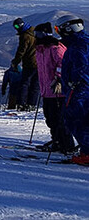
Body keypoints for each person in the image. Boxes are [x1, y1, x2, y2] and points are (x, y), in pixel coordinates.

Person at [34, 22, 75, 153]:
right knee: (50, 118)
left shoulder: (55, 48)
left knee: (60, 119)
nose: (37, 36)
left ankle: (67, 144)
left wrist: (58, 78)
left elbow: (63, 63)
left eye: (39, 34)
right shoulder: (40, 49)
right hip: (47, 90)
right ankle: (57, 141)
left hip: (58, 91)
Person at [57, 16, 89, 165]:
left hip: (80, 89)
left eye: (59, 29)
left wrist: (75, 82)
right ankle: (85, 151)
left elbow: (82, 66)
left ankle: (87, 153)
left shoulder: (78, 46)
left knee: (76, 120)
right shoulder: (82, 42)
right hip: (81, 87)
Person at [11, 17, 39, 110]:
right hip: (39, 62)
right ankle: (32, 104)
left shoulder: (25, 36)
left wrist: (15, 61)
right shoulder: (35, 32)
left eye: (16, 26)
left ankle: (21, 103)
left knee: (24, 83)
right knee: (35, 85)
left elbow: (21, 50)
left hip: (29, 63)